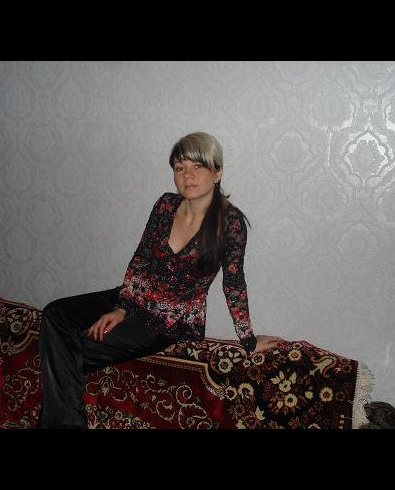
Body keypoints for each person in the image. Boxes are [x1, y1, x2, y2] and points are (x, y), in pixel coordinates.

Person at [37, 131, 281, 429]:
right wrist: (122, 307)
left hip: (169, 321)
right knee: (55, 314)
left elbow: (234, 284)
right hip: (134, 297)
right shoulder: (165, 205)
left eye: (198, 166)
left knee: (65, 348)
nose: (188, 175)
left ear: (217, 173)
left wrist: (248, 341)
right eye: (180, 167)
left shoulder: (230, 224)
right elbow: (141, 259)